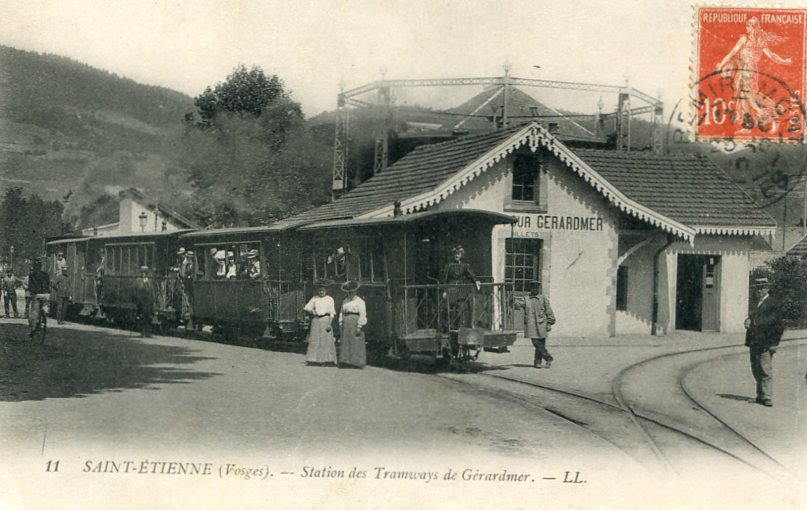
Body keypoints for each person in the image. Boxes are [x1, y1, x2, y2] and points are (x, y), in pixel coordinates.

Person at [716, 17, 792, 134]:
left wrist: (721, 65)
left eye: (749, 26)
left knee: (747, 98)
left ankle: (768, 115)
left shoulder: (746, 39)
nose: (747, 29)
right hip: (748, 70)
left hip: (747, 70)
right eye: (747, 26)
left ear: (754, 27)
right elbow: (771, 55)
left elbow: (733, 52)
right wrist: (783, 61)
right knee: (747, 96)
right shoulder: (759, 40)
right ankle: (760, 118)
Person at [744, 277, 785, 407]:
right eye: (757, 288)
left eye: (762, 287)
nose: (759, 290)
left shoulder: (773, 303)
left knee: (765, 368)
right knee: (756, 368)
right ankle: (760, 394)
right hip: (755, 341)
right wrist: (748, 321)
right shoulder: (756, 302)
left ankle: (767, 396)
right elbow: (753, 318)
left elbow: (777, 325)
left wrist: (774, 343)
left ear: (767, 288)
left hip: (766, 341)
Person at [514, 280, 556, 369]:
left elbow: (549, 311)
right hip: (531, 325)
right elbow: (518, 305)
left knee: (541, 343)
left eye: (536, 287)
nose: (534, 289)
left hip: (542, 324)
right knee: (536, 342)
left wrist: (549, 323)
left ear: (538, 288)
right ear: (530, 289)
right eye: (532, 287)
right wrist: (512, 301)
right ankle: (548, 357)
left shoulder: (543, 298)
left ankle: (537, 362)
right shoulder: (526, 299)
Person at [442, 245, 480, 329]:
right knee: (448, 308)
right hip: (451, 288)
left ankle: (464, 326)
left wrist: (476, 281)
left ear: (461, 255)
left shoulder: (465, 266)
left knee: (462, 307)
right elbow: (444, 279)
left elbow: (471, 275)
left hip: (461, 289)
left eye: (458, 254)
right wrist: (444, 290)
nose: (456, 256)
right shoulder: (449, 266)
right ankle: (449, 327)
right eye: (455, 254)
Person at [303, 281, 337, 365]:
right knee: (315, 340)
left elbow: (332, 313)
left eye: (323, 290)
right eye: (320, 290)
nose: (321, 292)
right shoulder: (314, 298)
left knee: (326, 340)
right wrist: (313, 310)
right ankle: (313, 359)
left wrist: (329, 324)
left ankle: (327, 360)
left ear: (326, 291)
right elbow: (306, 307)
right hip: (316, 320)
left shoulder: (329, 299)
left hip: (325, 319)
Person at [338, 280, 367, 368]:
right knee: (346, 341)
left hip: (355, 321)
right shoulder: (345, 301)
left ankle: (357, 363)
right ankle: (346, 362)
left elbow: (362, 314)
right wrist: (340, 322)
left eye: (352, 292)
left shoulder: (360, 301)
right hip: (346, 321)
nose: (350, 294)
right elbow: (341, 312)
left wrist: (359, 326)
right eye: (349, 292)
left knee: (356, 341)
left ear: (356, 292)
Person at [27, 258, 50, 338]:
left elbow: (30, 287)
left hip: (36, 295)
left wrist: (31, 293)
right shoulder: (46, 275)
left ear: (34, 266)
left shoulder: (32, 275)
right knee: (44, 308)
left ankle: (33, 329)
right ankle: (44, 318)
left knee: (34, 313)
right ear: (41, 266)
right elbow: (47, 285)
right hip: (46, 295)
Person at [135, 266, 154, 338]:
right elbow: (137, 291)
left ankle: (148, 332)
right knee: (142, 317)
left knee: (148, 318)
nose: (144, 274)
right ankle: (142, 332)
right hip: (141, 302)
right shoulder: (139, 281)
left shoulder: (149, 281)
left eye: (145, 273)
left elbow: (150, 291)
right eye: (143, 272)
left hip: (148, 302)